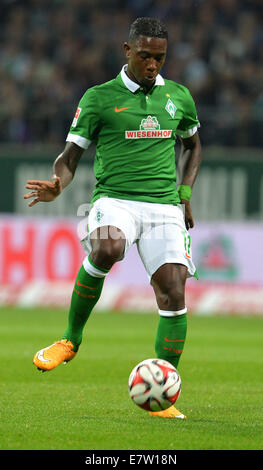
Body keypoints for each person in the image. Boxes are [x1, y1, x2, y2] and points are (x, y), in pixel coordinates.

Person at [24, 17, 201, 419]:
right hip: (115, 199)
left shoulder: (178, 97)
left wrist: (185, 194)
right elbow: (70, 157)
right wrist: (58, 184)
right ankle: (70, 340)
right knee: (107, 247)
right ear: (127, 51)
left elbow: (193, 145)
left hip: (163, 205)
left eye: (159, 57)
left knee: (173, 291)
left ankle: (162, 391)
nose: (153, 64)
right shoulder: (99, 98)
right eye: (145, 56)